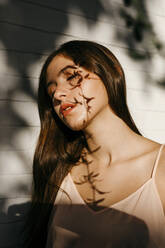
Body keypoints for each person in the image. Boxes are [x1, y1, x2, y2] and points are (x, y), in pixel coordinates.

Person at [24, 40, 165, 248]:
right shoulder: (57, 169)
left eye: (71, 77)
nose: (57, 94)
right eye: (51, 90)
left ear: (109, 73)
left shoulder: (160, 169)